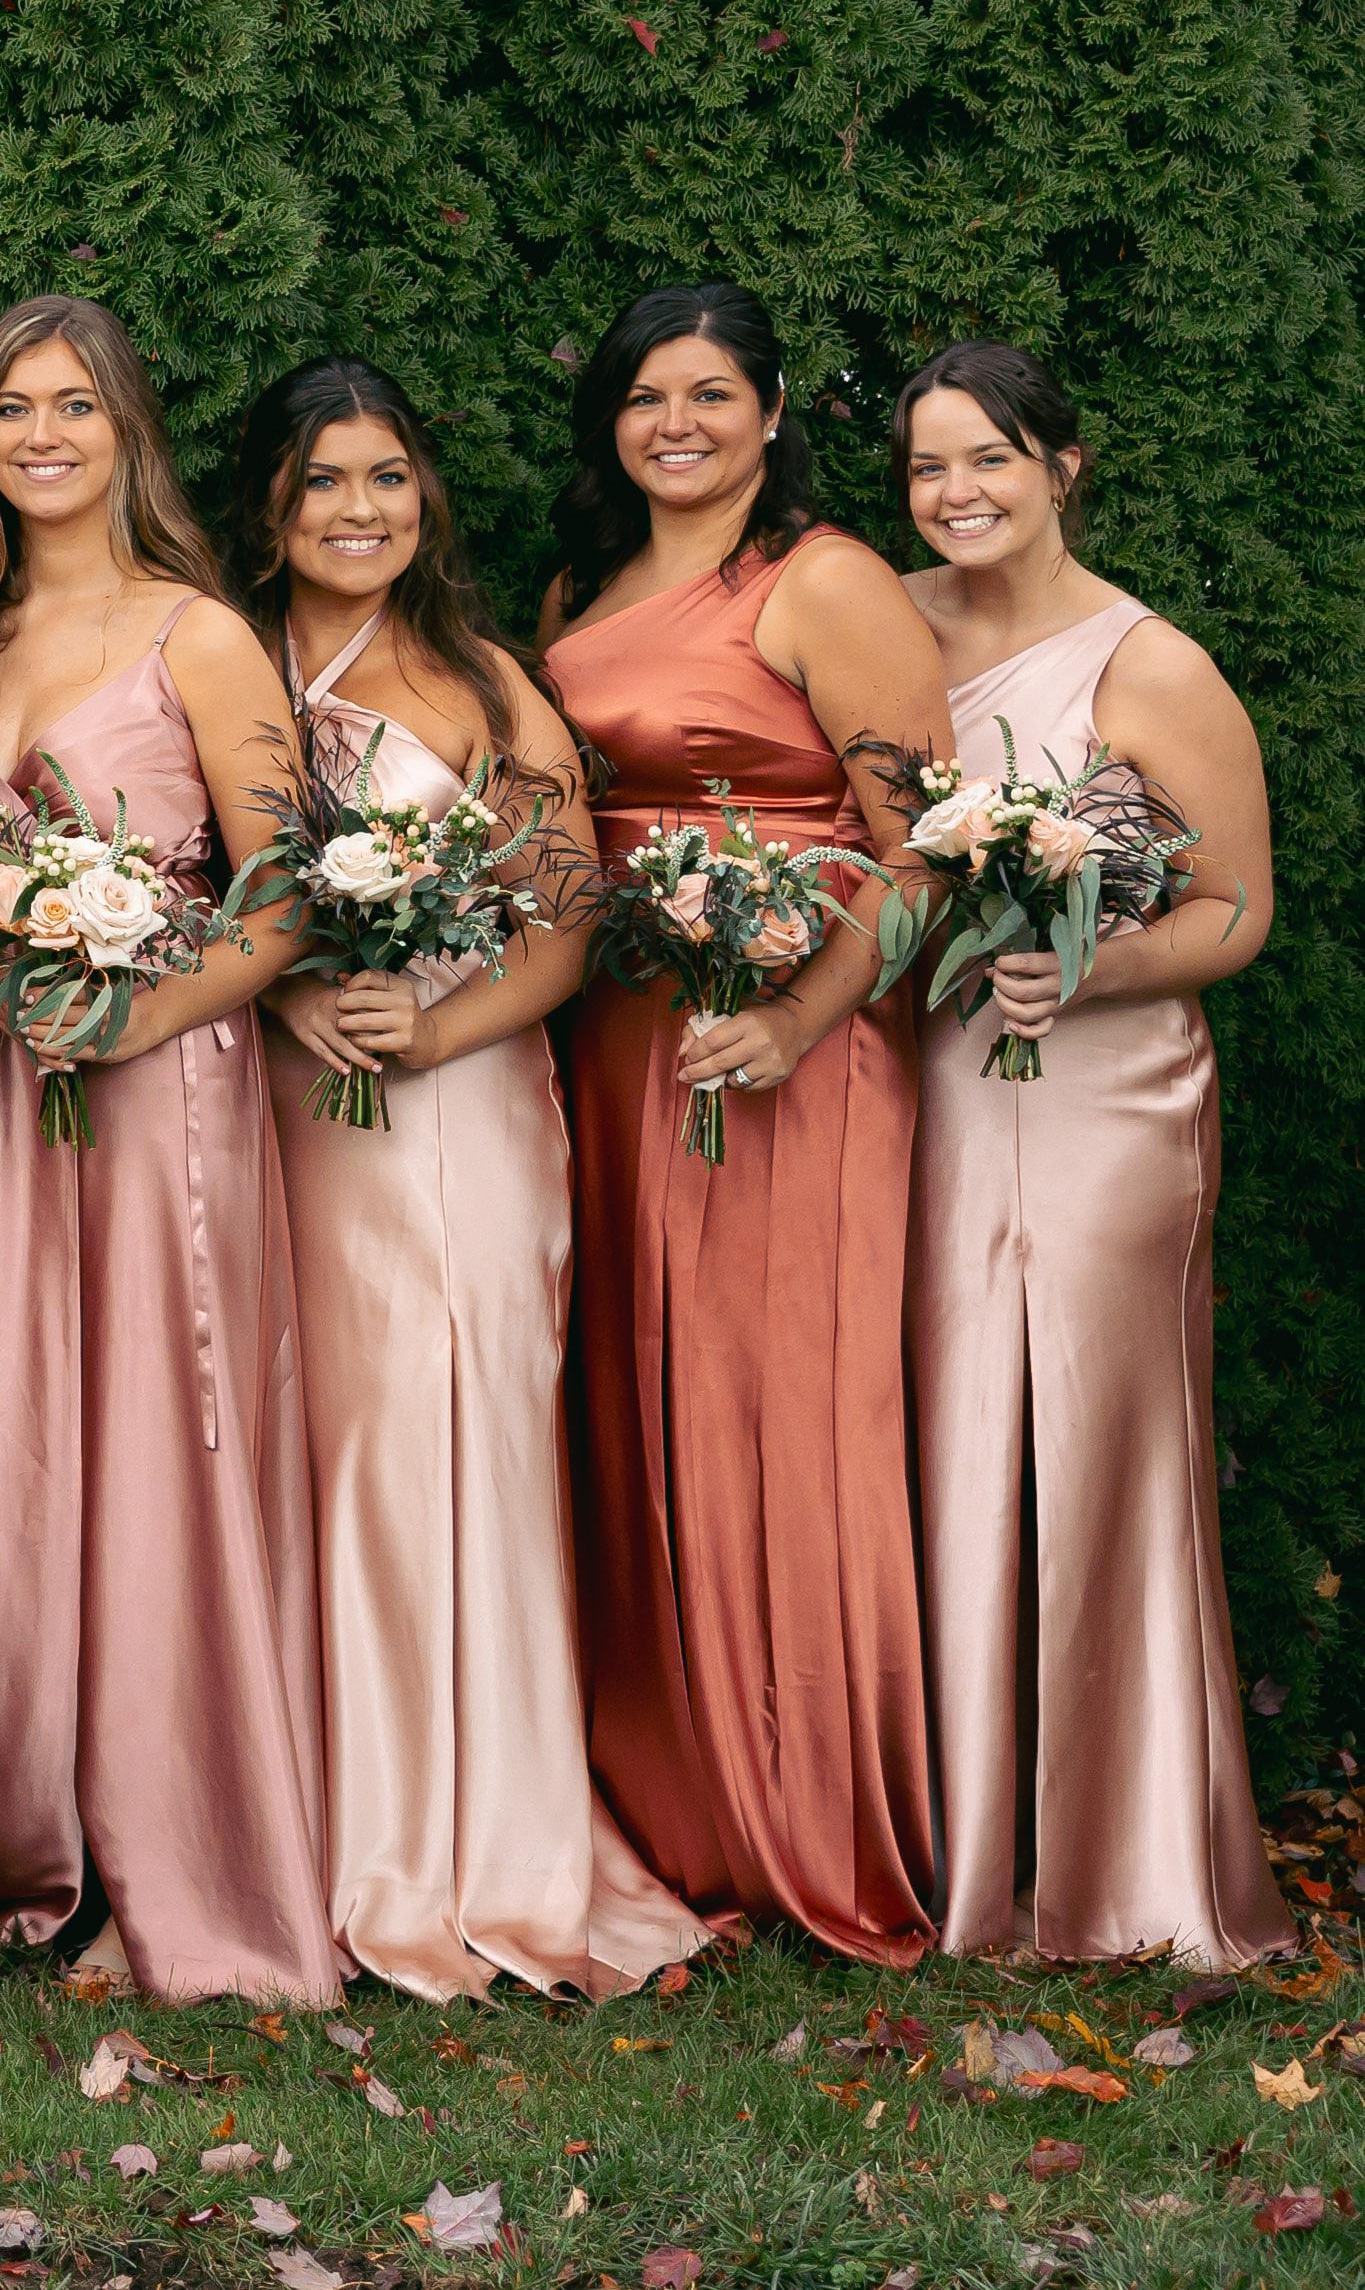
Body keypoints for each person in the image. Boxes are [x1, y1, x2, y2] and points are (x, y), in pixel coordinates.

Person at [229, 360, 704, 2002]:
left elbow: (568, 921)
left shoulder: (485, 685)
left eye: (386, 477)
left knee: (457, 1446)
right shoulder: (222, 667)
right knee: (309, 1452)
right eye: (319, 482)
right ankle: (313, 1830)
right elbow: (197, 886)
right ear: (267, 506)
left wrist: (432, 1029)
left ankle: (476, 1845)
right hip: (283, 1108)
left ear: (425, 497)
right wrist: (281, 994)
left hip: (461, 1103)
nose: (356, 510)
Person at [0, 294, 331, 2005]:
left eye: (74, 405)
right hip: (9, 1093)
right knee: (26, 1440)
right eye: (12, 407)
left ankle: (184, 1848)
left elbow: (286, 900)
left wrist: (140, 1017)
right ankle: (31, 1841)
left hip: (166, 1091)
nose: (42, 436)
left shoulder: (197, 636)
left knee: (164, 1443)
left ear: (126, 431)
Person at [538, 281, 944, 1966]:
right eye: (646, 395)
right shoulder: (579, 593)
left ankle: (812, 1820)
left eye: (710, 393)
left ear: (772, 414)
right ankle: (672, 1811)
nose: (676, 423)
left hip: (789, 1048)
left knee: (779, 1423)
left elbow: (920, 851)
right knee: (633, 1411)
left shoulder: (823, 580)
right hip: (618, 1037)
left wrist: (796, 1017)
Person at [892, 339, 1291, 1966]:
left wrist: (1088, 968)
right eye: (926, 465)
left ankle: (1129, 1862)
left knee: (1097, 1444)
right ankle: (952, 1846)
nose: (956, 492)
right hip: (925, 1084)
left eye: (988, 457)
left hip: (1106, 1100)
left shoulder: (1151, 663)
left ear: (1062, 465)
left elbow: (1236, 908)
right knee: (938, 1434)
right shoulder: (886, 626)